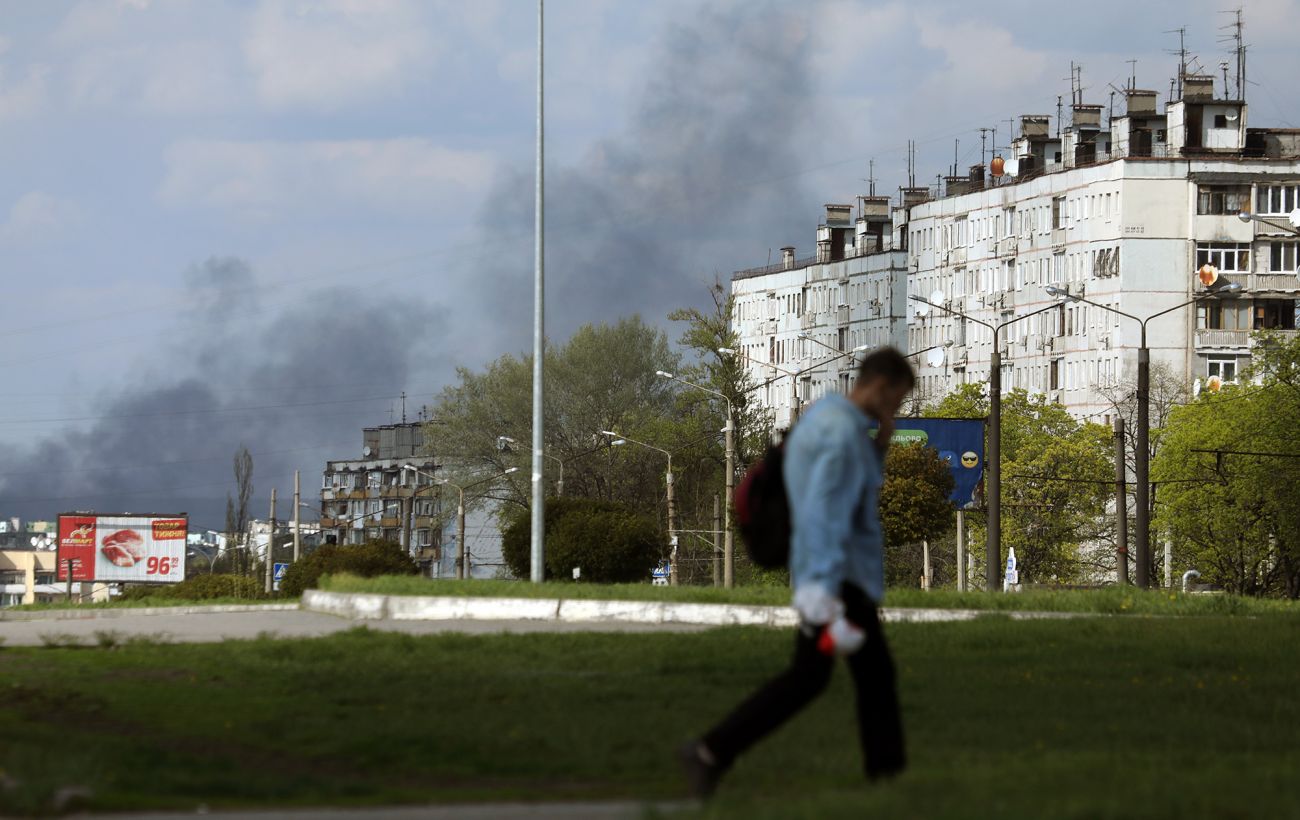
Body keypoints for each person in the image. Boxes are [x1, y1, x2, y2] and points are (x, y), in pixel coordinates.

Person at [680, 347, 915, 798]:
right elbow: (825, 511)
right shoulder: (842, 435)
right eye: (898, 401)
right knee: (864, 678)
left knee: (824, 678)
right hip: (838, 577)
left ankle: (712, 752)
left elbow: (846, 492)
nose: (896, 411)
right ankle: (887, 781)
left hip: (830, 573)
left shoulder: (826, 414)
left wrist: (881, 443)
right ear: (882, 387)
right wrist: (822, 590)